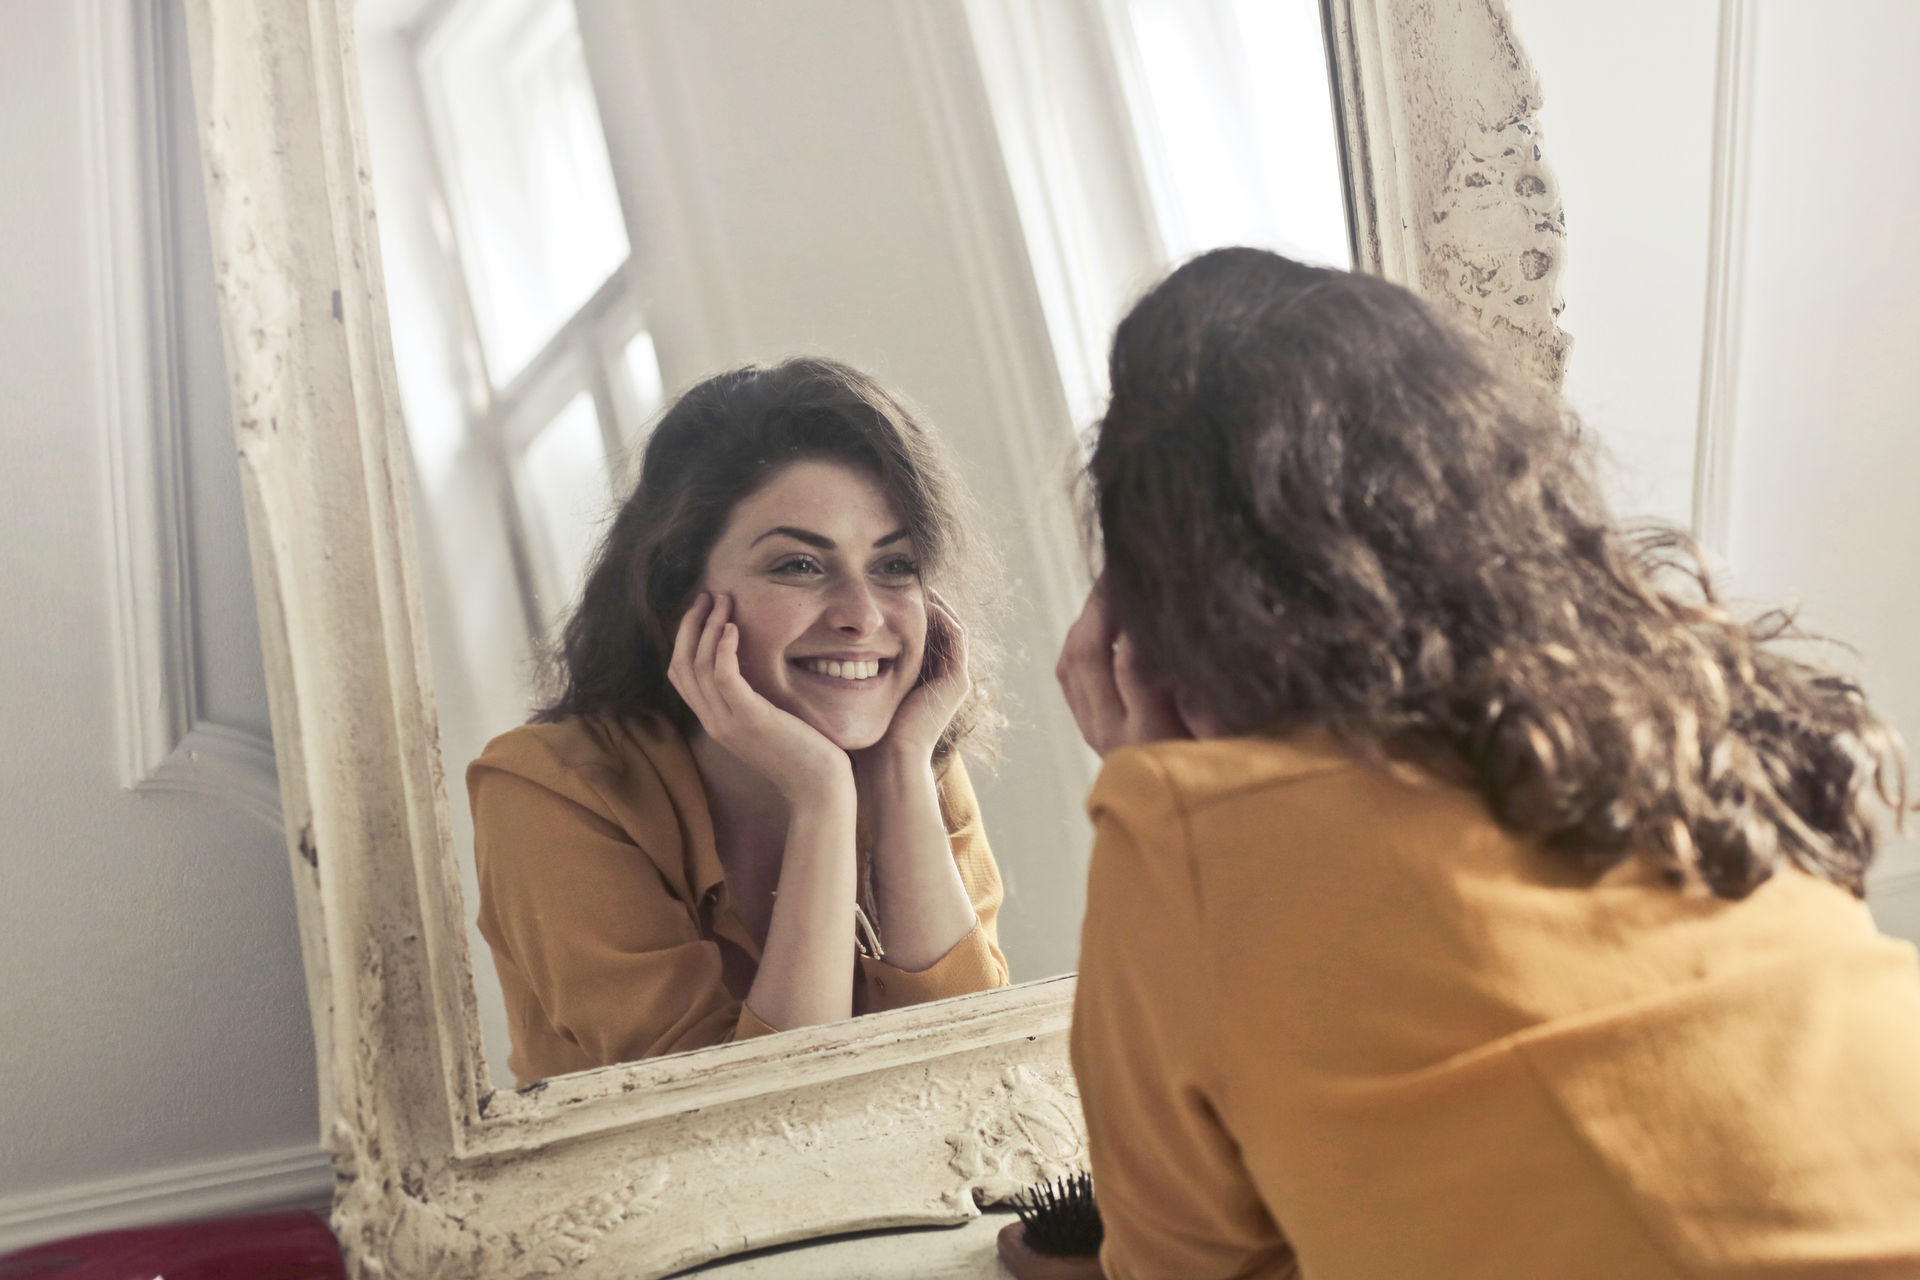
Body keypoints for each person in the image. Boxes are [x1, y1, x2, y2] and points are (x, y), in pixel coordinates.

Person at [1010, 248, 1920, 1279]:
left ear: (1153, 622)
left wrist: (1146, 773)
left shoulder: (1194, 834)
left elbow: (1184, 1270)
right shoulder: (1685, 708)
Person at [468, 357, 1010, 1088]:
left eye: (895, 565)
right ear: (677, 594)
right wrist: (821, 798)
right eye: (797, 566)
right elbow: (736, 1124)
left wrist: (901, 772)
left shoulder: (912, 760)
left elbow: (974, 1078)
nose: (862, 615)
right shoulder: (549, 790)